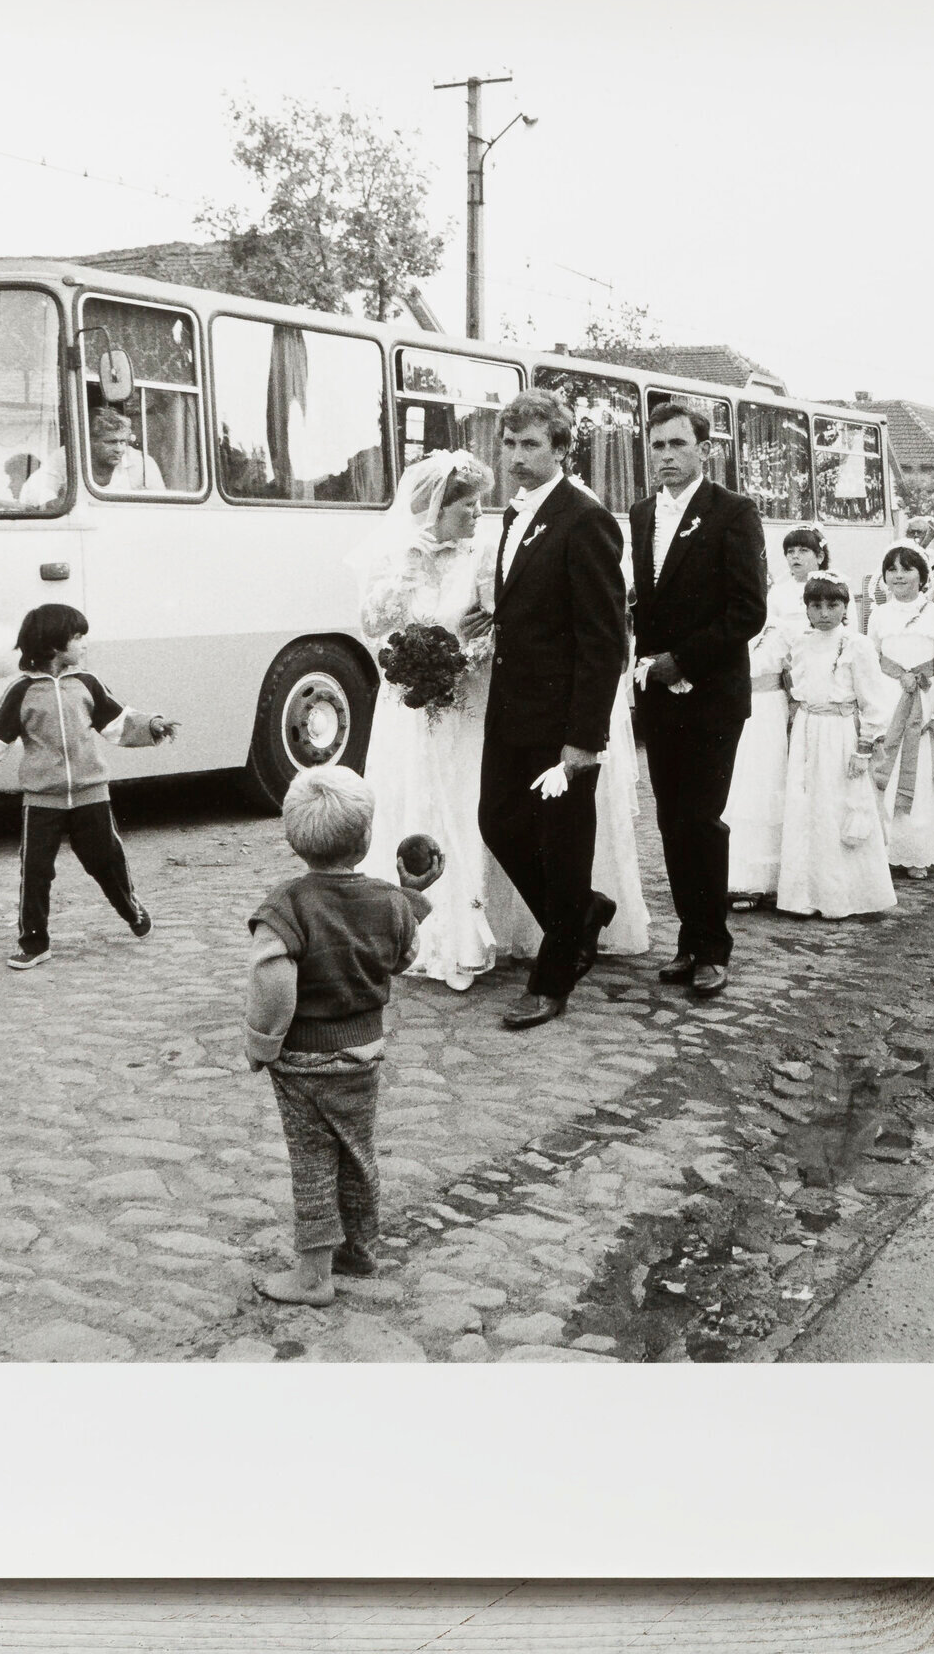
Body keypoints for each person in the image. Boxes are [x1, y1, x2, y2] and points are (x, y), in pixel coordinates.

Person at [242, 765, 439, 1307]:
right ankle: (358, 1252)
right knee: (356, 1152)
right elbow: (400, 957)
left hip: (305, 1059)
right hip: (364, 1053)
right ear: (368, 836)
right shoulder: (387, 900)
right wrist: (410, 899)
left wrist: (262, 1044)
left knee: (311, 1160)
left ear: (292, 837)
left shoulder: (287, 905)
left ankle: (311, 1278)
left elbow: (273, 980)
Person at [473, 389, 630, 1030]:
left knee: (563, 847)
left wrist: (583, 738)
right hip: (511, 713)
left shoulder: (583, 519)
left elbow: (603, 640)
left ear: (561, 449)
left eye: (530, 444)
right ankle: (582, 914)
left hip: (562, 722)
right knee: (498, 822)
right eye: (508, 444)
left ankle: (553, 978)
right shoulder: (514, 517)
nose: (515, 456)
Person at [0, 602, 177, 971]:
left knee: (106, 861)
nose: (84, 644)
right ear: (53, 645)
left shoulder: (87, 684)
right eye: (78, 637)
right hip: (42, 802)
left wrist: (152, 725)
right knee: (34, 872)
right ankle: (34, 943)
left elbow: (119, 721)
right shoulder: (20, 692)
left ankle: (131, 911)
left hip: (91, 796)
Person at [628, 398, 768, 999]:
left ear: (704, 450)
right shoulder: (639, 515)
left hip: (711, 695)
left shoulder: (732, 513)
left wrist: (681, 662)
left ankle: (714, 947)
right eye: (657, 446)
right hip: (658, 695)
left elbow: (748, 610)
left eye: (677, 445)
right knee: (669, 819)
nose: (666, 457)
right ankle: (689, 939)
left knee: (701, 820)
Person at [352, 450, 503, 991]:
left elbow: (493, 626)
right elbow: (375, 631)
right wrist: (408, 663)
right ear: (435, 507)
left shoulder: (483, 555)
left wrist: (466, 658)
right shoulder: (395, 560)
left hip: (465, 707)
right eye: (467, 503)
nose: (478, 512)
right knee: (409, 798)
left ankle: (467, 925)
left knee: (463, 801)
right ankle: (409, 928)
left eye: (480, 501)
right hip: (407, 711)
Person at [775, 573, 898, 919]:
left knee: (839, 807)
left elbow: (873, 700)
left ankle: (844, 895)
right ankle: (803, 894)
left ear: (845, 607)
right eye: (816, 606)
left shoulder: (855, 645)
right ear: (807, 609)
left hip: (840, 733)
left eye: (833, 605)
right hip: (807, 730)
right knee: (806, 808)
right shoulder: (799, 642)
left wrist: (863, 748)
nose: (824, 613)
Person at [728, 527, 826, 909]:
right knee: (736, 789)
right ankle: (734, 874)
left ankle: (765, 877)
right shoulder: (758, 607)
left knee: (767, 786)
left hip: (771, 706)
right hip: (736, 708)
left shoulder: (790, 617)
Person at [866, 543, 934, 879]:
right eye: (892, 569)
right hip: (891, 698)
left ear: (921, 576)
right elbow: (873, 660)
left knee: (923, 775)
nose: (899, 576)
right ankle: (885, 848)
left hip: (925, 699)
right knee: (887, 771)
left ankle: (916, 852)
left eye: (907, 569)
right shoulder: (879, 614)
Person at [18, 401, 163, 506]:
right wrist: (56, 502)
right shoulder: (67, 456)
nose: (119, 449)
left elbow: (160, 505)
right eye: (110, 442)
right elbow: (33, 492)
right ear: (89, 442)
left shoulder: (141, 462)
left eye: (123, 442)